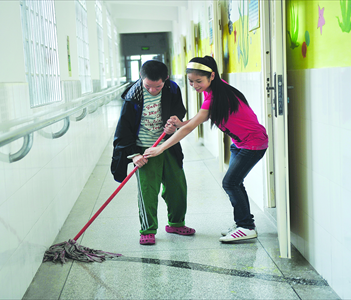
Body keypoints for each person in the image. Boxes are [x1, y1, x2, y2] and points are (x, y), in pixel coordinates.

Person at [144, 56, 268, 242]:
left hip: (253, 144)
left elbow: (190, 128)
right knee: (234, 183)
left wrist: (161, 148)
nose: (194, 86)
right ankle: (243, 223)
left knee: (231, 183)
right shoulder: (214, 88)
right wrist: (181, 123)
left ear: (212, 76)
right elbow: (195, 121)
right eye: (191, 81)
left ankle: (246, 226)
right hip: (240, 143)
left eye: (198, 81)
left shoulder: (218, 94)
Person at [111, 60, 195, 245]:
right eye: (148, 86)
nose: (152, 90)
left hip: (168, 146)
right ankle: (147, 230)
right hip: (144, 150)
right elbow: (123, 129)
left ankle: (176, 223)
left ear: (165, 80)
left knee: (177, 187)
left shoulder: (172, 89)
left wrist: (174, 124)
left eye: (157, 86)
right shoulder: (133, 95)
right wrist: (134, 155)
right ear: (141, 79)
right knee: (148, 192)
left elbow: (178, 111)